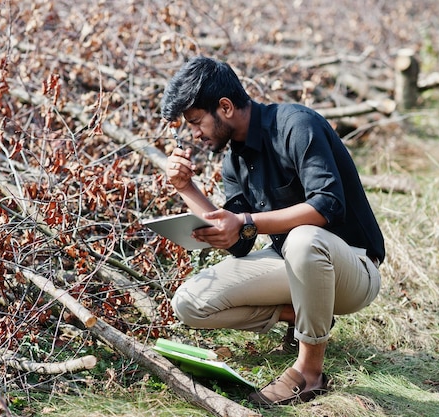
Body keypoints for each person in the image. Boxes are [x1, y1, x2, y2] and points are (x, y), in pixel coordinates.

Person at [160, 56, 384, 407]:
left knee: (303, 238)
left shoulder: (296, 125)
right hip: (295, 265)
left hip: (354, 268)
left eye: (196, 121)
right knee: (189, 303)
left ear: (225, 107)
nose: (195, 134)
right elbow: (236, 241)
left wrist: (248, 222)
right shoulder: (233, 160)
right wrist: (186, 188)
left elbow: (328, 205)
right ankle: (304, 316)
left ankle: (310, 372)